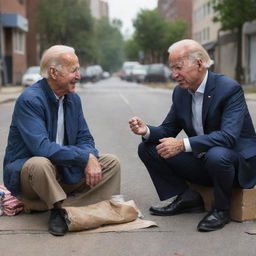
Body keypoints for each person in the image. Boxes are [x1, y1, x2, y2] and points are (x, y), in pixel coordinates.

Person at [129, 39, 256, 232]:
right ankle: (187, 197)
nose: (174, 75)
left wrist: (182, 144)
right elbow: (167, 130)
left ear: (199, 64)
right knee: (148, 147)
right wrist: (146, 130)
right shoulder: (181, 93)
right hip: (206, 161)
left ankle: (221, 210)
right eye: (172, 68)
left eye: (178, 67)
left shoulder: (229, 89)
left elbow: (228, 137)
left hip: (237, 164)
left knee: (217, 154)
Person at [3, 45, 121, 236]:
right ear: (53, 73)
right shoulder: (30, 100)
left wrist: (90, 156)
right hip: (31, 176)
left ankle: (53, 204)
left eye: (78, 69)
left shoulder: (73, 99)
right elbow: (41, 148)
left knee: (111, 163)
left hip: (63, 170)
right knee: (40, 164)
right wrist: (84, 158)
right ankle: (58, 210)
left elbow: (85, 138)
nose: (79, 75)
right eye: (73, 70)